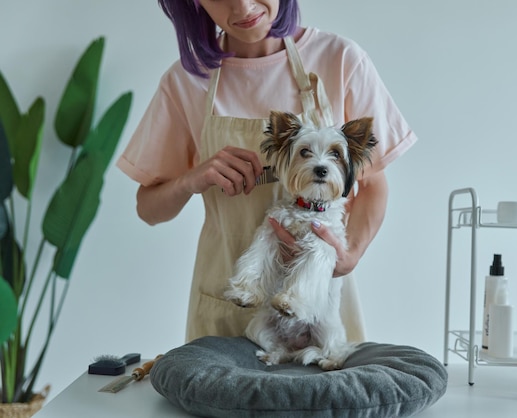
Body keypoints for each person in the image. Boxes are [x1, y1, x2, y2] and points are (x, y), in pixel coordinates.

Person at [117, 0, 417, 343]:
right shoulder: (186, 81)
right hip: (226, 299)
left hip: (316, 299)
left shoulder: (340, 60)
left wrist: (349, 255)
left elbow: (374, 183)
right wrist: (191, 180)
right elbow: (148, 208)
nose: (243, 6)